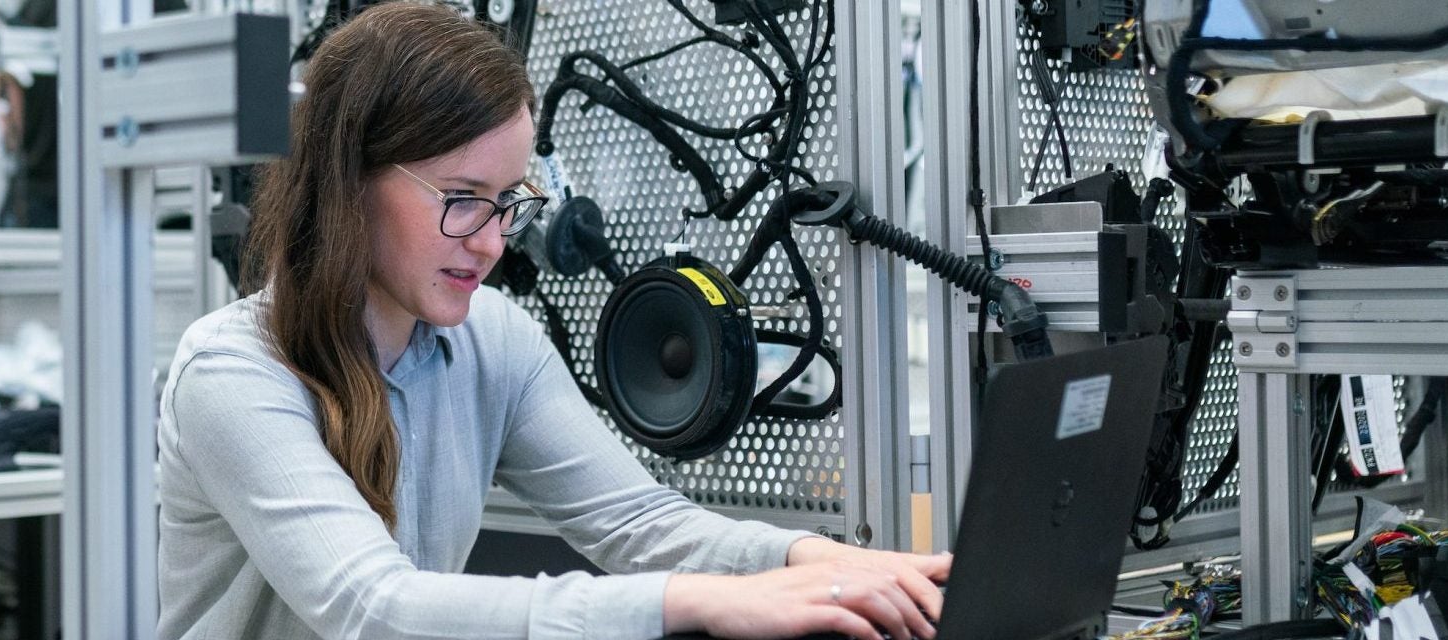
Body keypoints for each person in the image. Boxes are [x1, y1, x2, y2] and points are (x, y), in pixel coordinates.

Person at [155, 3, 948, 639]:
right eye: (463, 199)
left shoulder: (492, 340)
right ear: (348, 181)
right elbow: (374, 609)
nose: (494, 241)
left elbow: (638, 521)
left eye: (510, 203)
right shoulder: (235, 372)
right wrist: (694, 601)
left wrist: (821, 560)